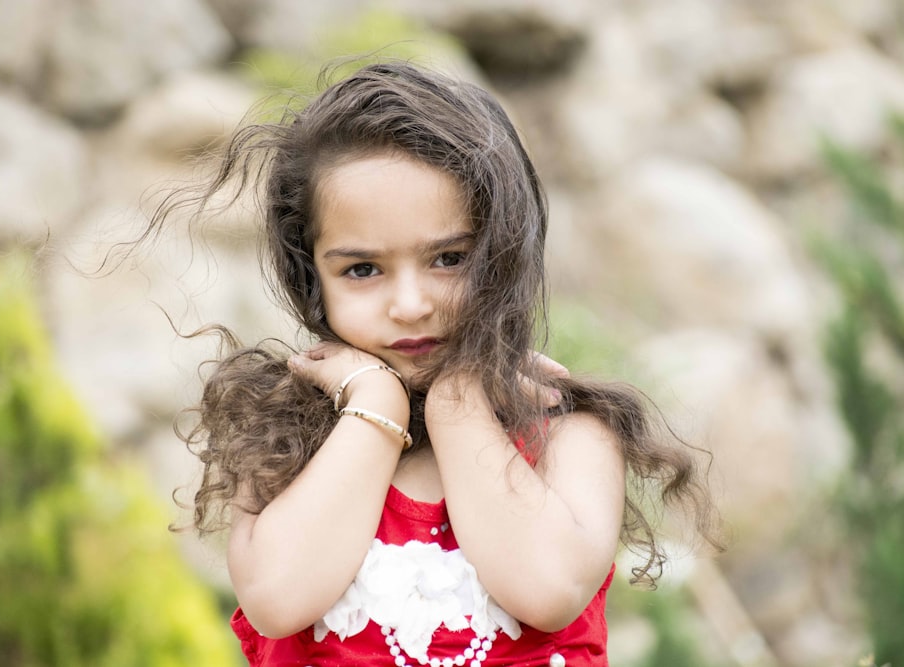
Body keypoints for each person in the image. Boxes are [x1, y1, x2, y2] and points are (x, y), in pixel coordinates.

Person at [162, 61, 720, 666]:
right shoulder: (284, 442)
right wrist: (375, 406)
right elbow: (278, 599)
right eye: (362, 270)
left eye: (449, 259)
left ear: (505, 250)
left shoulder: (570, 433)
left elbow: (547, 589)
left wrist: (459, 402)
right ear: (311, 277)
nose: (410, 304)